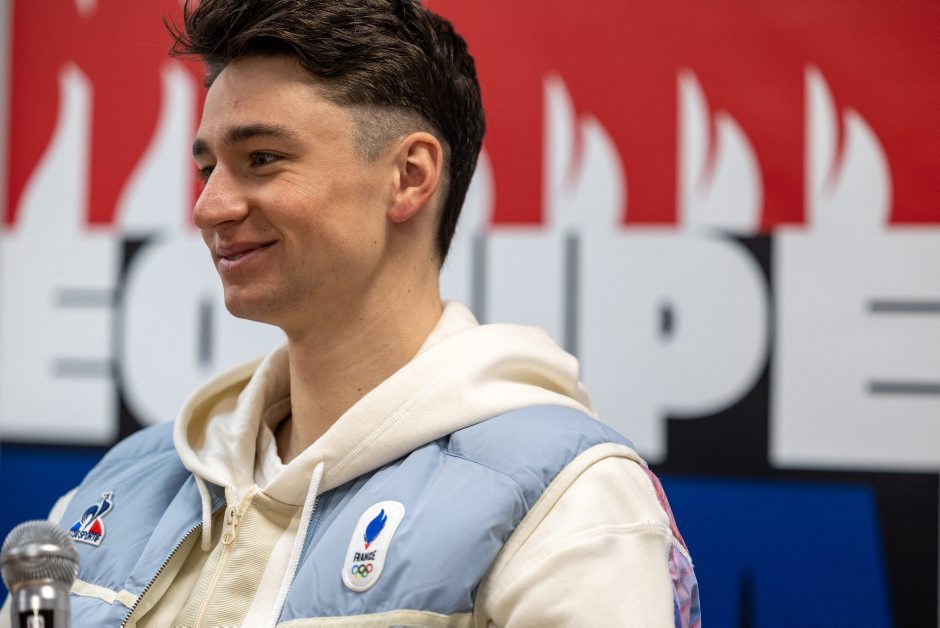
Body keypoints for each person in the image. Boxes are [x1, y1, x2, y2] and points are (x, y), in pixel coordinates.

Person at [6, 0, 700, 625]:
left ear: (410, 176)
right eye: (207, 167)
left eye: (262, 158)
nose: (209, 207)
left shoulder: (568, 500)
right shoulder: (122, 481)